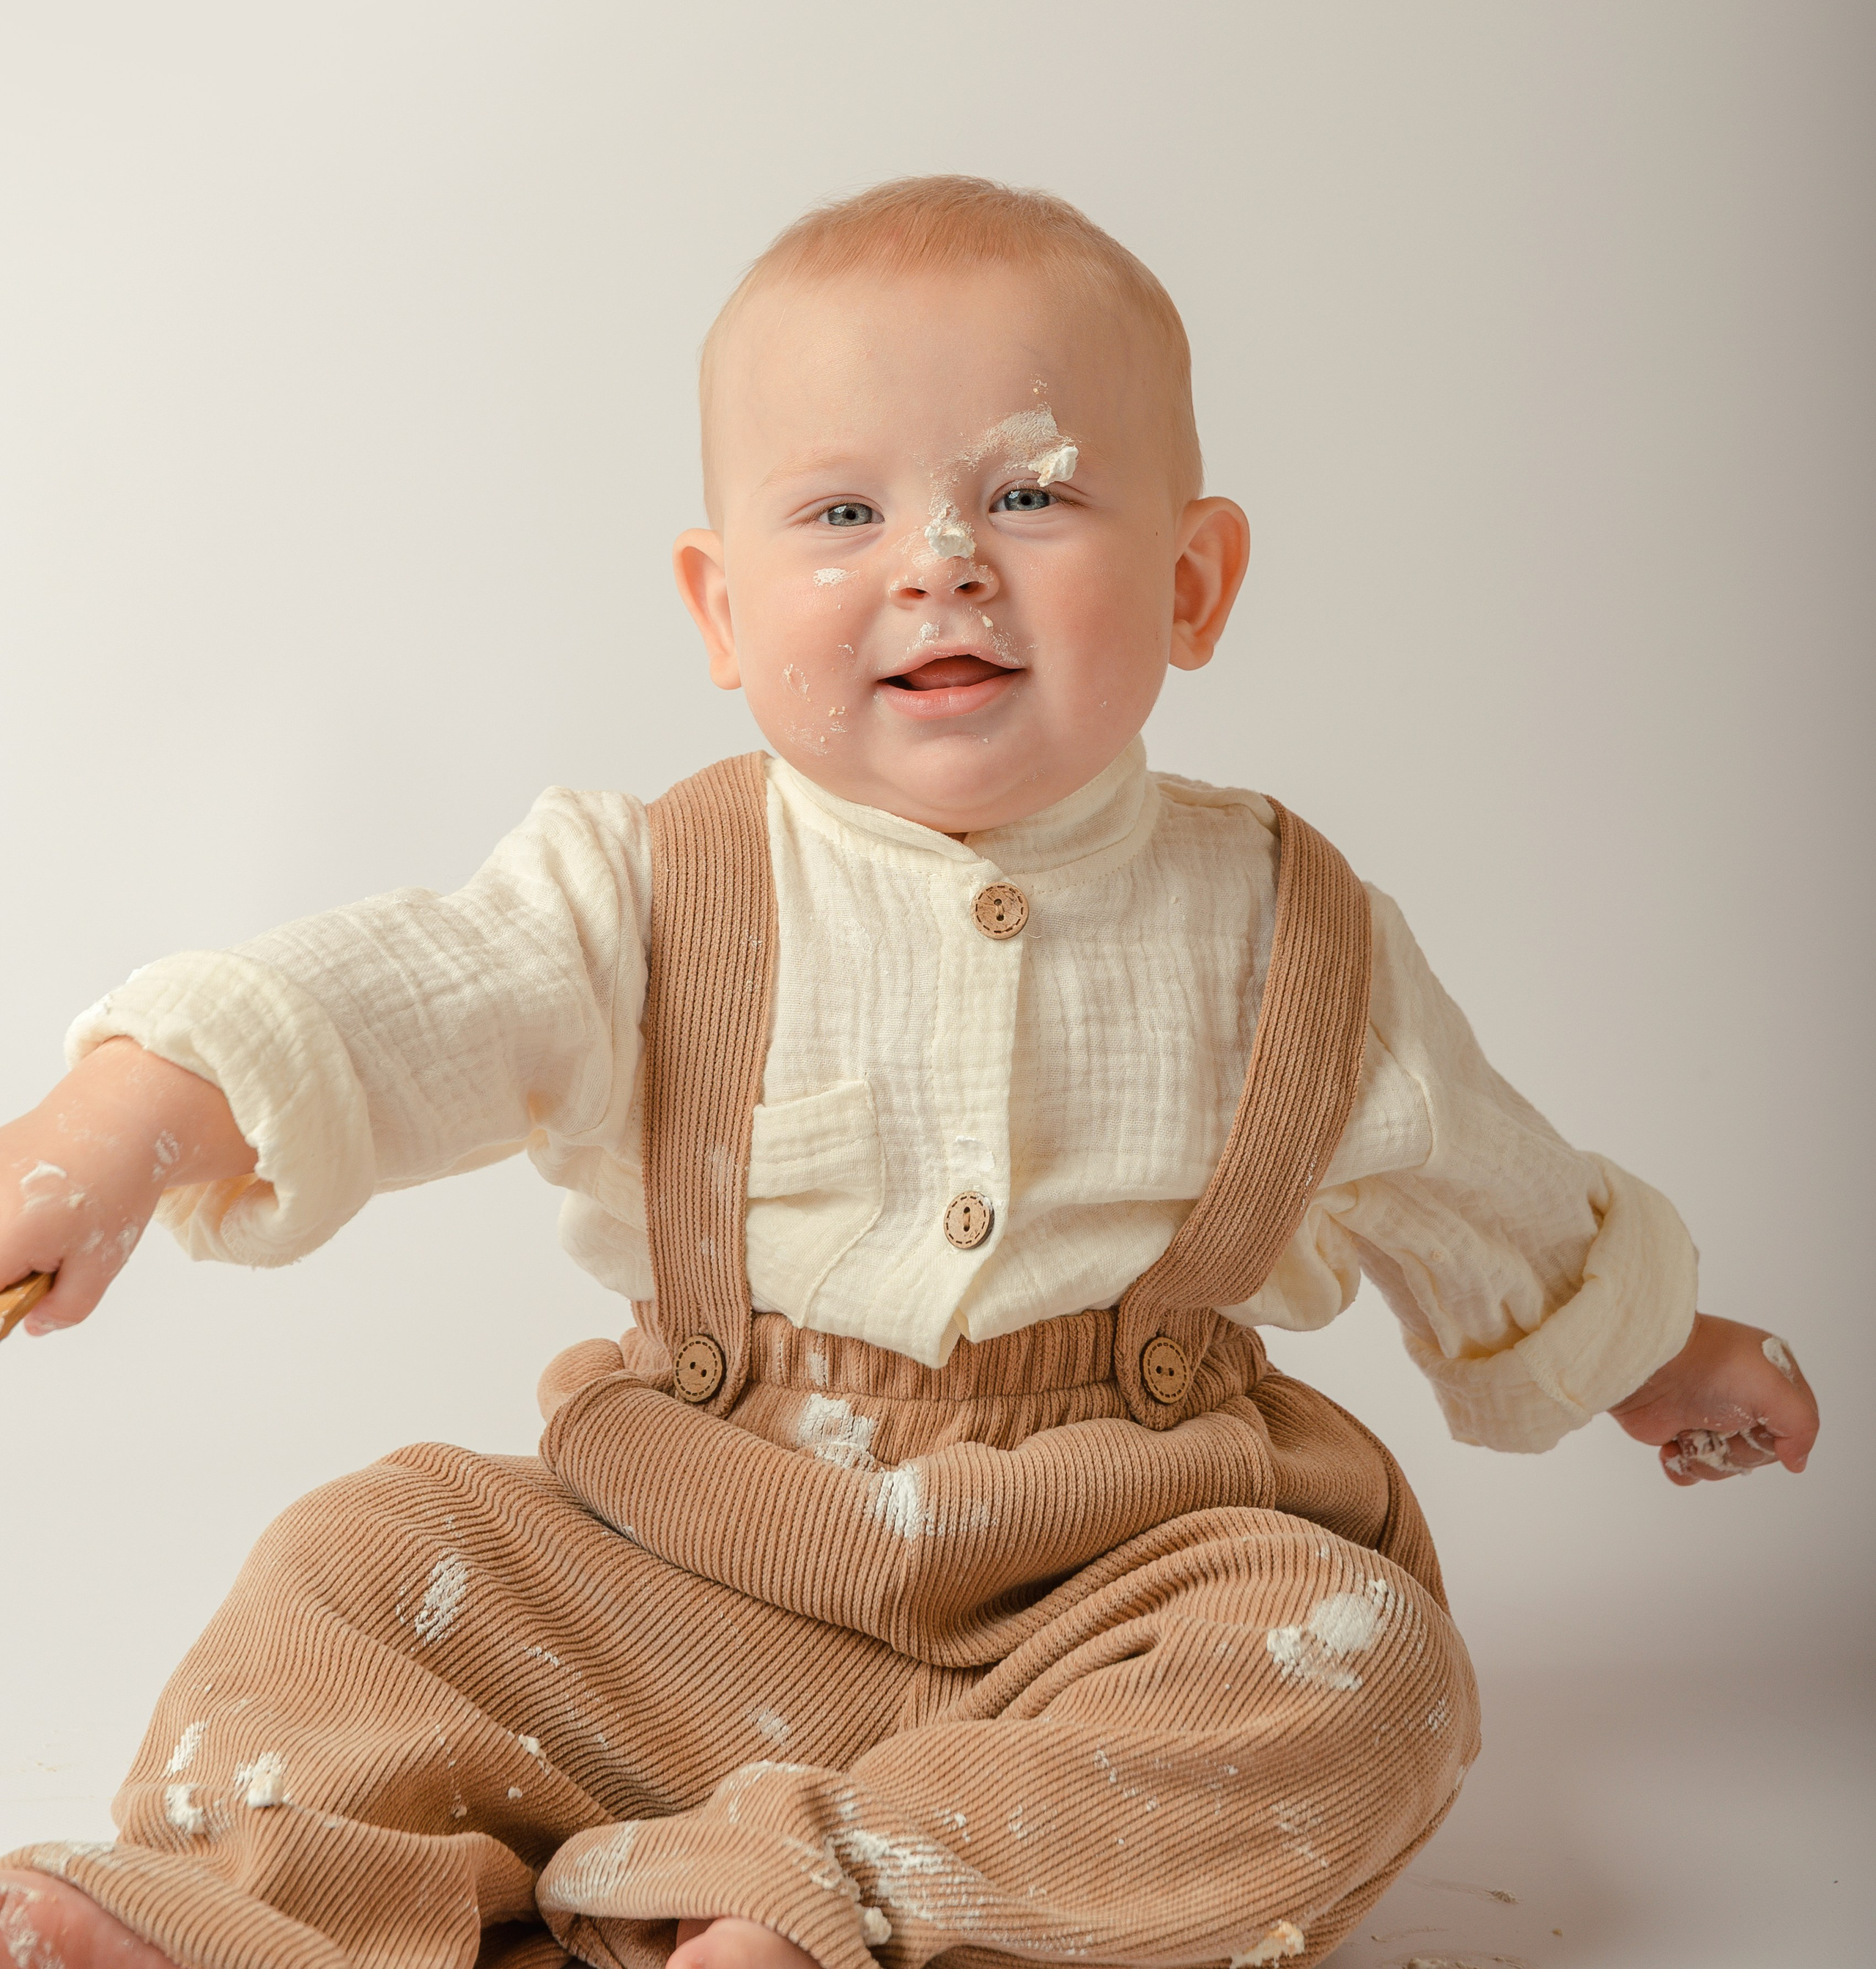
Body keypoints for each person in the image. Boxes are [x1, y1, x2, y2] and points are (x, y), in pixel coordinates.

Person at [0, 178, 1820, 1969]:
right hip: (682, 1575)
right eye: (843, 509)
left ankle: (831, 1903)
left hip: (1117, 1588)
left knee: (1367, 1665)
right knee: (360, 1557)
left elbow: (1484, 1186)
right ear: (720, 613)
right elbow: (381, 1000)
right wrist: (122, 1123)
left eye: (1028, 492)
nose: (937, 558)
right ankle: (241, 1916)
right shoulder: (645, 894)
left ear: (1192, 581)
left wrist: (1657, 1353)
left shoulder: (1292, 934)